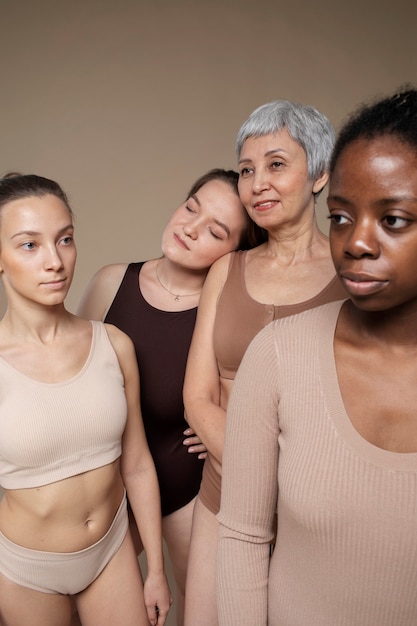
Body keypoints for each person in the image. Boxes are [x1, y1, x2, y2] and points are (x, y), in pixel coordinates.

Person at [217, 86, 417, 626]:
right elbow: (242, 535)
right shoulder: (280, 352)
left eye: (394, 220)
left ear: (313, 174)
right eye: (342, 218)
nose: (356, 243)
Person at [183, 100, 347, 625]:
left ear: (320, 173)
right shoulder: (225, 270)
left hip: (313, 513)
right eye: (248, 170)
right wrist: (255, 477)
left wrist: (292, 490)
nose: (257, 184)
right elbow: (197, 396)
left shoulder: (353, 278)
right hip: (223, 497)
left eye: (276, 164)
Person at [77, 168, 262, 625]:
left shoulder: (229, 315)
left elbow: (261, 401)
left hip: (188, 490)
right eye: (191, 207)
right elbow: (71, 376)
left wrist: (222, 423)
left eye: (215, 231)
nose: (189, 227)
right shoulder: (110, 282)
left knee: (204, 615)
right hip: (115, 483)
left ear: (234, 253)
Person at [0, 173, 172, 626]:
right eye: (29, 245)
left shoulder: (114, 345)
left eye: (65, 239)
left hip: (112, 555)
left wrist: (155, 569)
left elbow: (136, 464)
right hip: (25, 573)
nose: (55, 261)